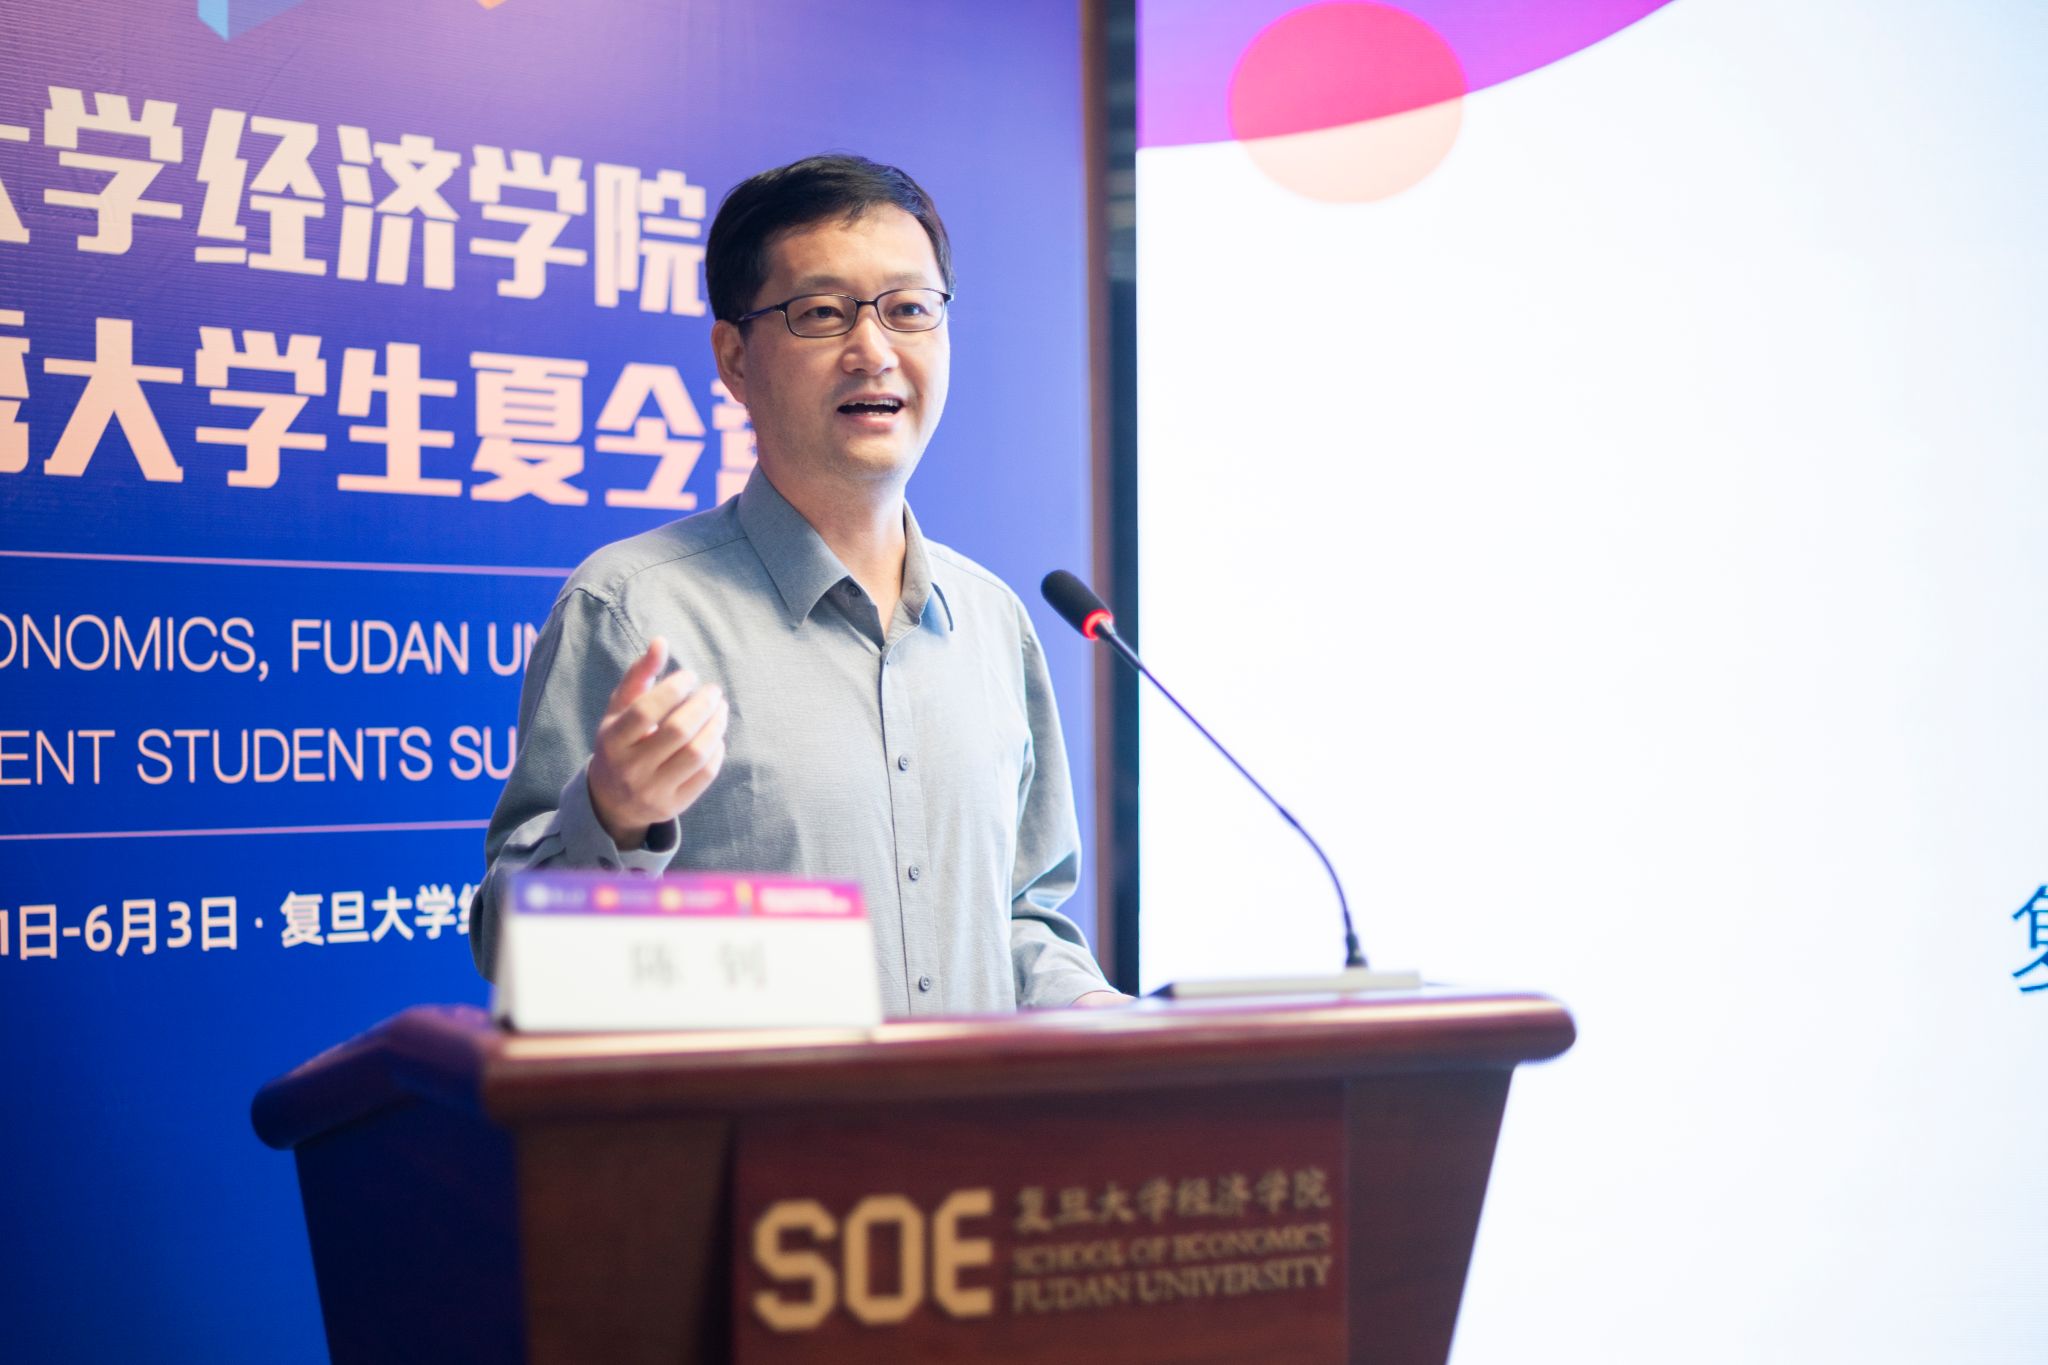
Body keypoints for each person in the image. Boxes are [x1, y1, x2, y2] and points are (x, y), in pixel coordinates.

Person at [473, 154, 1122, 1014]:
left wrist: (1089, 1007)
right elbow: (513, 951)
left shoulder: (994, 621)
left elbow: (1023, 915)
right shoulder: (633, 612)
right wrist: (613, 814)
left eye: (908, 309)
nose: (873, 351)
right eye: (821, 313)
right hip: (756, 1107)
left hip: (977, 1109)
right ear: (735, 358)